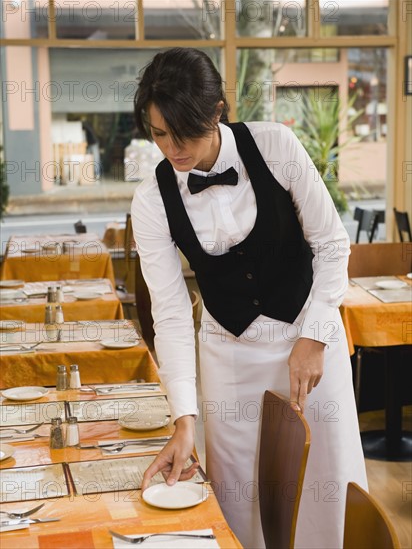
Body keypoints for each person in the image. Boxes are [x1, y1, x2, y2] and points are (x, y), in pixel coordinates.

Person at [131, 47, 367, 549]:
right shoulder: (152, 199)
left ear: (217, 111)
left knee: (326, 484)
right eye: (158, 133)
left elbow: (332, 243)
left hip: (310, 337)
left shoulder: (276, 146)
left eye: (185, 132)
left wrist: (317, 335)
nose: (173, 148)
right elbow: (171, 315)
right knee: (237, 494)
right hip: (229, 354)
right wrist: (183, 419)